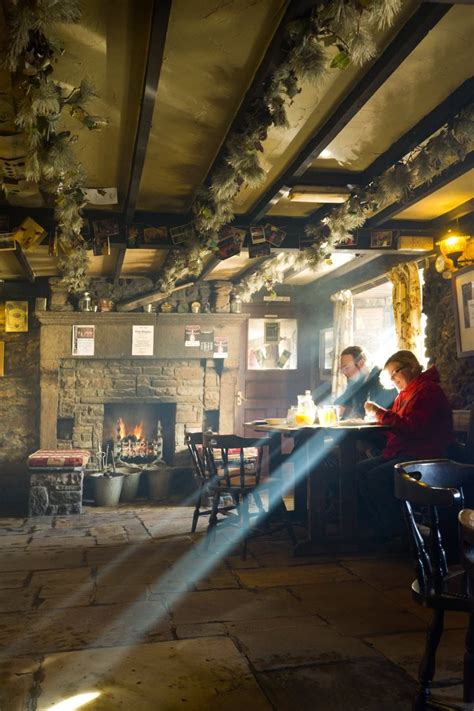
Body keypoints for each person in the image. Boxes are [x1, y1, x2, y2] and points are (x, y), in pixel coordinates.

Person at [357, 350, 454, 541]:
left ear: (411, 367)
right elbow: (393, 426)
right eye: (389, 376)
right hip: (405, 450)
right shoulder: (406, 393)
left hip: (425, 454)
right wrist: (373, 422)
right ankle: (381, 527)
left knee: (376, 477)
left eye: (395, 372)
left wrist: (379, 412)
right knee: (359, 470)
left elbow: (412, 427)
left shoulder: (427, 390)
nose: (393, 379)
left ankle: (400, 533)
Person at [334, 346, 396, 420]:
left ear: (361, 363)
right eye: (342, 369)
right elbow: (339, 403)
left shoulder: (383, 379)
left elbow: (390, 414)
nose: (344, 373)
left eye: (347, 368)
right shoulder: (355, 383)